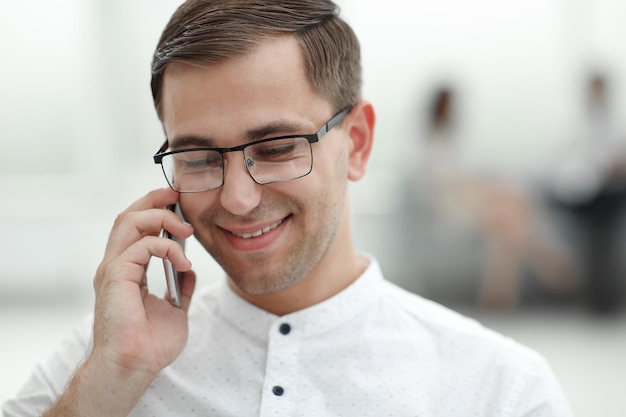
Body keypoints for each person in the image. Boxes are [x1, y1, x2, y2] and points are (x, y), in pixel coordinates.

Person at [4, 1, 572, 416]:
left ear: (358, 143)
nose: (237, 198)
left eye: (276, 149)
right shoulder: (102, 357)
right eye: (199, 156)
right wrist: (113, 381)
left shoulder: (502, 391)